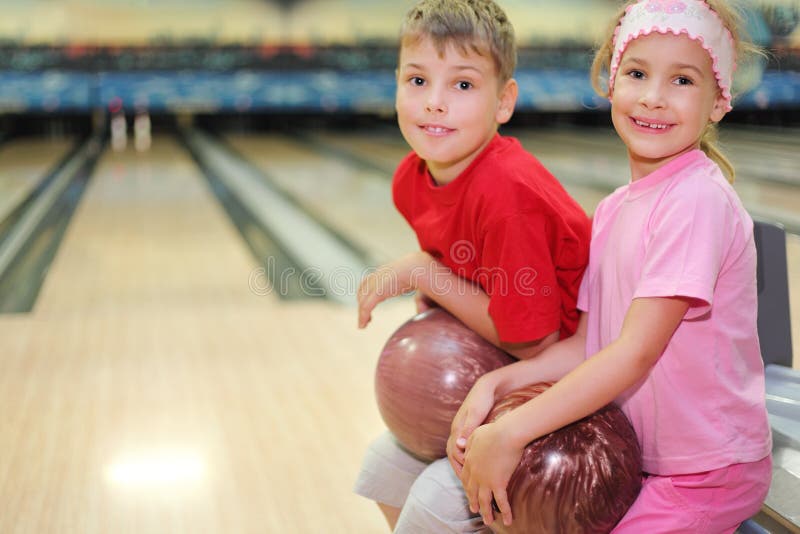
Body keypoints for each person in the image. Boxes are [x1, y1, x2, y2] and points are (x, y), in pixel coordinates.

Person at [448, 0, 773, 532]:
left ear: (718, 103)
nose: (653, 96)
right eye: (637, 72)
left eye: (683, 80)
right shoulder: (616, 208)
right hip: (636, 458)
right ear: (610, 83)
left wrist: (512, 431)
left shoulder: (695, 199)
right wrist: (500, 383)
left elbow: (634, 351)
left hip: (707, 473)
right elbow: (593, 342)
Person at [354, 0, 592, 531]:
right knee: (382, 469)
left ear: (504, 101)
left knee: (436, 503)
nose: (434, 103)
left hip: (578, 392)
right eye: (417, 80)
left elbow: (538, 345)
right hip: (515, 376)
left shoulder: (507, 193)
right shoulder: (409, 180)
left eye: (462, 85)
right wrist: (434, 286)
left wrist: (424, 273)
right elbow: (461, 281)